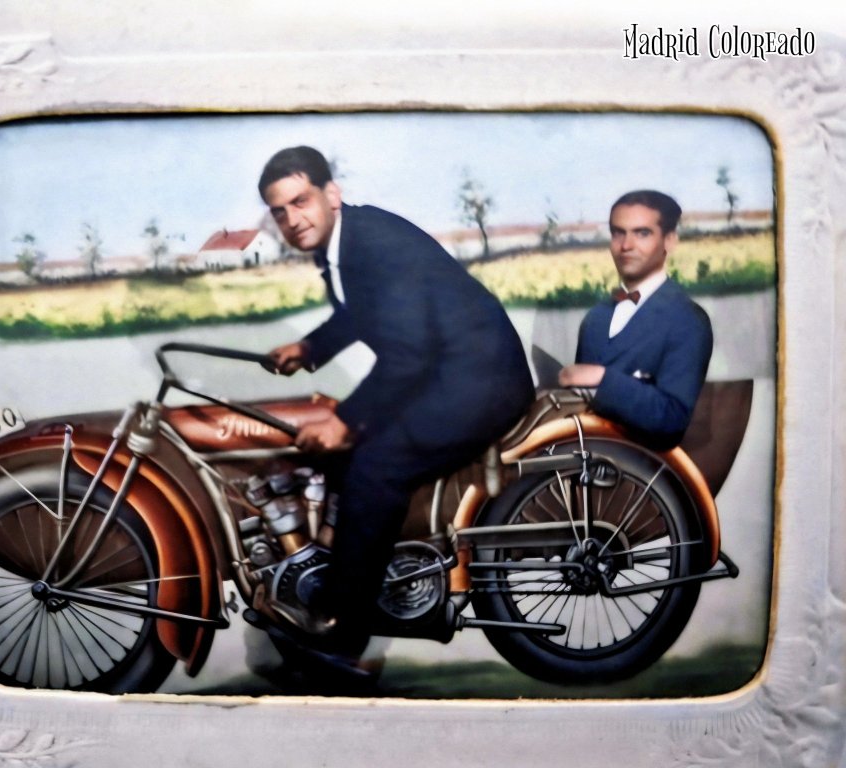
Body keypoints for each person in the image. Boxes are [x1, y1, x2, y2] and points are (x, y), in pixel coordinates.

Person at [259, 146, 534, 660]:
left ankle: (344, 639)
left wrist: (345, 419)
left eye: (301, 201)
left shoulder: (374, 243)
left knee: (375, 469)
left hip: (478, 380)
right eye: (280, 211)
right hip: (444, 371)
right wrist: (310, 348)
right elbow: (365, 313)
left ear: (331, 194)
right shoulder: (347, 242)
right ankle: (336, 575)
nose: (293, 219)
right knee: (342, 458)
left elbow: (407, 353)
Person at [558, 190, 713, 450]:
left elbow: (672, 418)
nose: (626, 245)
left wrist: (602, 377)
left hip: (643, 477)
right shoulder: (596, 318)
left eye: (642, 233)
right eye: (618, 232)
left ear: (670, 241)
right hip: (584, 467)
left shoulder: (688, 320)